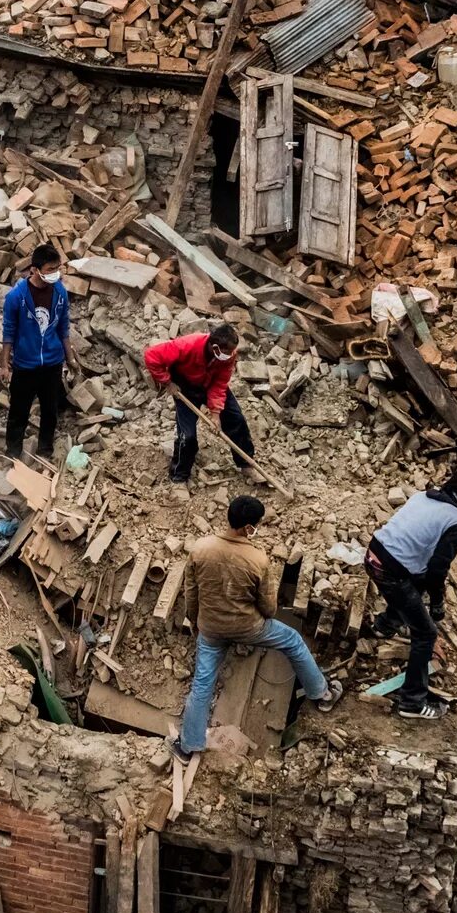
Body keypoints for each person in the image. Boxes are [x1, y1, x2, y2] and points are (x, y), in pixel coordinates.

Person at [174, 495, 334, 757]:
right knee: (293, 640)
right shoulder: (257, 559)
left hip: (211, 629)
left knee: (202, 684)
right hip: (250, 628)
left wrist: (196, 622)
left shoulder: (200, 549)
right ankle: (321, 694)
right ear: (249, 527)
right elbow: (269, 608)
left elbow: (191, 594)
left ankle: (188, 745)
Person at [365, 468, 457, 721]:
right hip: (391, 572)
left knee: (414, 583)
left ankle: (384, 625)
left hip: (373, 553)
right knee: (426, 634)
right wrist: (438, 602)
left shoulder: (423, 496)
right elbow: (437, 570)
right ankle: (412, 702)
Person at [146, 322, 251, 484]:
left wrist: (215, 413)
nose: (231, 355)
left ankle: (246, 464)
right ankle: (179, 477)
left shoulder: (229, 355)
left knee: (237, 419)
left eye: (232, 351)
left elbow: (221, 381)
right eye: (227, 352)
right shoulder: (186, 345)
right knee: (186, 436)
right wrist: (167, 382)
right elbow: (151, 356)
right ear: (214, 346)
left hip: (211, 383)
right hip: (185, 387)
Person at [0, 243, 71, 461]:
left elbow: (63, 326)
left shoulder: (60, 292)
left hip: (52, 363)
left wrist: (70, 356)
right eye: (50, 269)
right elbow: (8, 331)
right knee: (18, 412)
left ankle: (44, 451)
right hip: (25, 364)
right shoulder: (17, 297)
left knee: (50, 410)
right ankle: (12, 452)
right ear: (35, 269)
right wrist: (4, 364)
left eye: (57, 268)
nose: (55, 274)